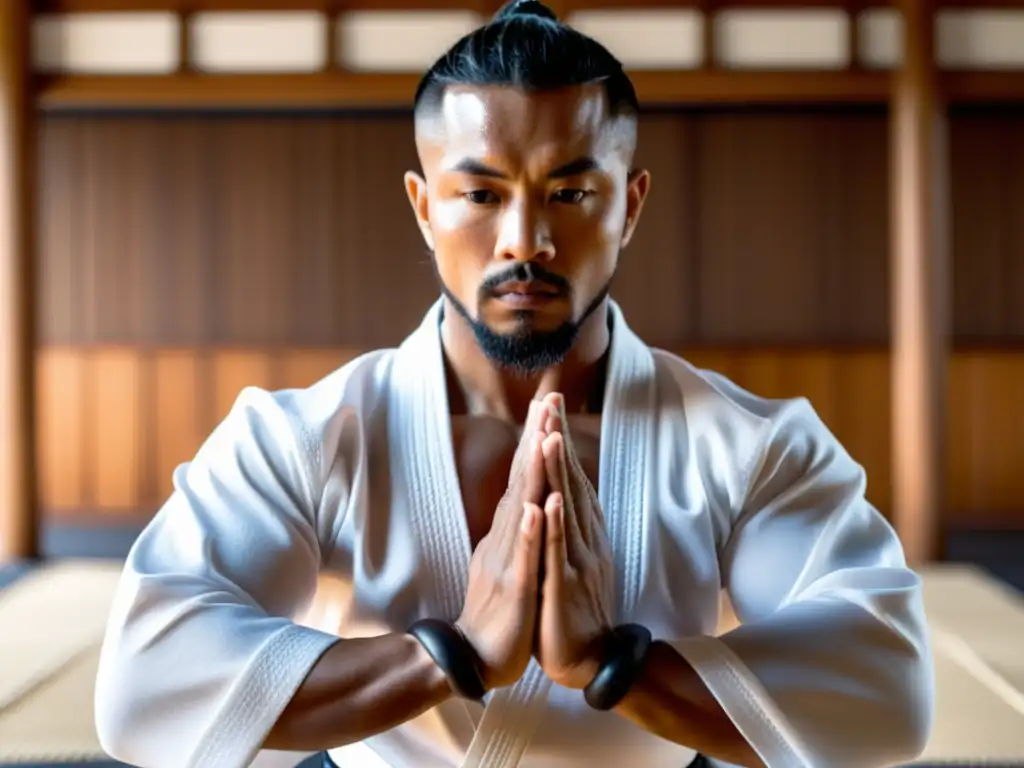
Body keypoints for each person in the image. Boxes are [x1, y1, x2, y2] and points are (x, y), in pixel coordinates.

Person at [93, 1, 935, 766]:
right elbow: (143, 685)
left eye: (571, 191)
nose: (524, 239)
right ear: (425, 208)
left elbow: (888, 688)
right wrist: (446, 654)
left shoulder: (747, 444)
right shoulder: (308, 437)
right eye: (480, 194)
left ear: (630, 206)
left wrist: (616, 666)